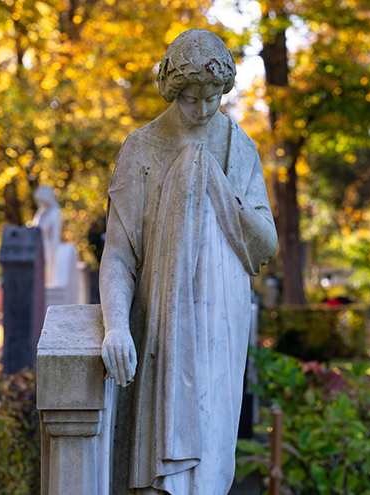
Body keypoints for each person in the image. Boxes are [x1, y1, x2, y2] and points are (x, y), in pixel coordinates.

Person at [99, 30, 277, 494]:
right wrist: (116, 326)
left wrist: (223, 194)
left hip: (223, 318)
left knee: (214, 439)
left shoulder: (241, 148)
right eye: (190, 99)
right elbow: (118, 253)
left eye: (212, 98)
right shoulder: (141, 149)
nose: (200, 111)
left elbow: (265, 244)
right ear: (172, 91)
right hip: (160, 322)